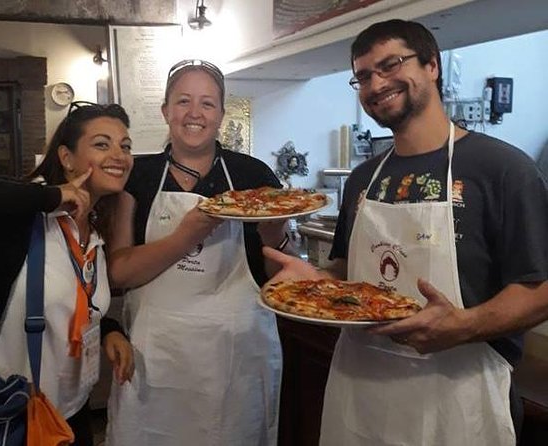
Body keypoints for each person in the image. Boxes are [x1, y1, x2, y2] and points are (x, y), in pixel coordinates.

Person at [264, 19, 548, 446]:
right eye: (363, 76)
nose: (376, 84)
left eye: (390, 65)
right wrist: (318, 283)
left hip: (459, 394)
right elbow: (350, 272)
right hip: (362, 388)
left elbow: (540, 288)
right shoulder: (362, 179)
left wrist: (465, 325)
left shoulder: (504, 170)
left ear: (432, 65)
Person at [0, 101, 136, 446]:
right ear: (66, 157)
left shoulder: (94, 226)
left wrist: (109, 329)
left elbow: (71, 298)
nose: (119, 155)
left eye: (125, 146)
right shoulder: (22, 216)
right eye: (102, 144)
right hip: (1, 415)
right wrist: (49, 196)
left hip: (68, 414)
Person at [105, 59, 288, 445]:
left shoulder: (253, 176)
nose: (194, 113)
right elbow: (119, 273)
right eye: (183, 101)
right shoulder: (137, 176)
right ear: (165, 110)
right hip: (157, 355)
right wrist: (185, 236)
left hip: (237, 355)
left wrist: (276, 238)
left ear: (222, 113)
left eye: (207, 103)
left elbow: (275, 266)